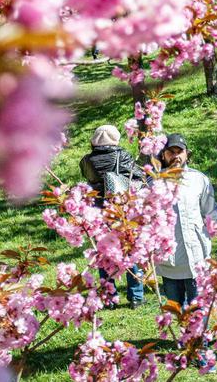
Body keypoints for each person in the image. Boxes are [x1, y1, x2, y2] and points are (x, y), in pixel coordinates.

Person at [79, 125, 145, 309]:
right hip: (120, 210)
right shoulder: (122, 155)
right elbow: (138, 176)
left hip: (97, 212)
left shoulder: (86, 160)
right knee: (129, 251)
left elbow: (87, 178)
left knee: (103, 254)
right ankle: (136, 296)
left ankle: (109, 295)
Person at [155, 133, 217, 308]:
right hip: (169, 260)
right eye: (171, 152)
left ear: (187, 154)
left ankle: (199, 336)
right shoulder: (154, 184)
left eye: (180, 151)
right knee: (176, 310)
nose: (176, 156)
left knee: (199, 308)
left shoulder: (199, 180)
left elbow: (211, 211)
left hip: (196, 254)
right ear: (163, 155)